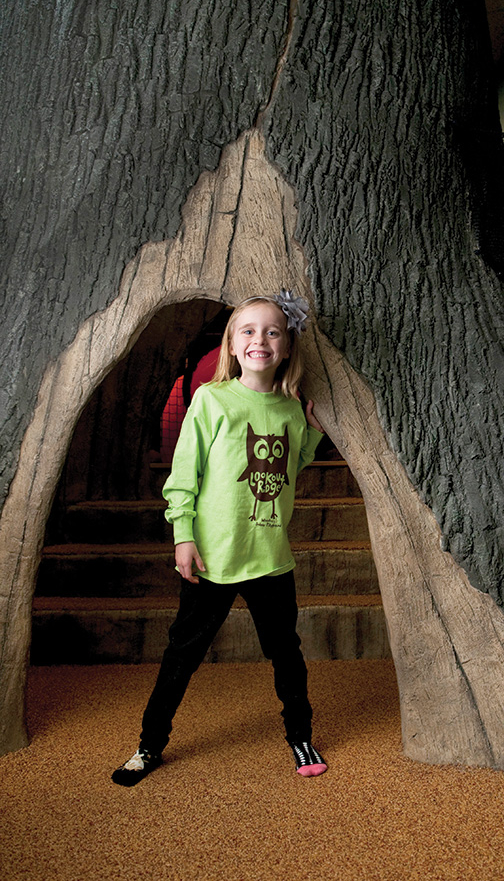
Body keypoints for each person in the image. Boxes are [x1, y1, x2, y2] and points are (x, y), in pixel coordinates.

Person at [112, 291, 328, 786]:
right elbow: (184, 474)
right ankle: (149, 746)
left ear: (287, 345)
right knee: (182, 654)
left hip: (271, 558)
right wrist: (182, 535)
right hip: (213, 556)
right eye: (248, 330)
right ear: (232, 343)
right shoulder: (211, 400)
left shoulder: (292, 409)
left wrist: (311, 432)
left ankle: (300, 735)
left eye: (273, 331)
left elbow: (291, 466)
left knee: (286, 652)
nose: (260, 340)